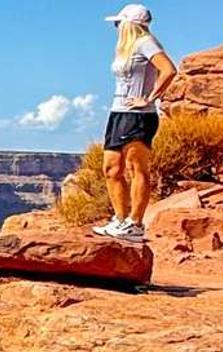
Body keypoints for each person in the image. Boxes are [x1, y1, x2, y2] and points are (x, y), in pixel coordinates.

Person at [94, 4, 177, 243]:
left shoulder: (145, 42)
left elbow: (169, 70)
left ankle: (135, 224)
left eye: (119, 23)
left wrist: (149, 99)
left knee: (135, 168)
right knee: (110, 169)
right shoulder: (127, 48)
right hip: (118, 112)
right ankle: (120, 220)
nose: (116, 27)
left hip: (139, 115)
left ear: (131, 25)